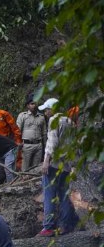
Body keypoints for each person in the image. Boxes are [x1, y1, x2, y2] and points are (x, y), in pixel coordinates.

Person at [37, 98, 80, 236]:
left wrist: (46, 161)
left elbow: (52, 142)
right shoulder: (70, 122)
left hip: (54, 164)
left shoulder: (54, 120)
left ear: (52, 109)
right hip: (66, 165)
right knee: (64, 195)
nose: (46, 113)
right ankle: (65, 225)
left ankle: (48, 226)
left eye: (47, 110)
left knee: (49, 194)